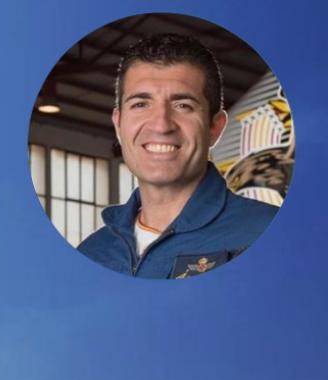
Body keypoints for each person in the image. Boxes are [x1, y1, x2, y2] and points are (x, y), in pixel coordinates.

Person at [77, 34, 278, 278]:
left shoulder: (270, 235)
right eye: (141, 104)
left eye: (183, 105)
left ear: (215, 127)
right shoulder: (91, 253)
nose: (161, 125)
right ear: (118, 125)